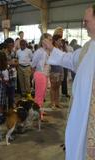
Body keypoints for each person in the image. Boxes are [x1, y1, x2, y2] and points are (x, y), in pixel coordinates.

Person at [43, 5, 95, 160]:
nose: (83, 24)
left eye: (86, 20)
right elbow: (70, 59)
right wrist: (52, 48)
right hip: (80, 114)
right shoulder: (88, 47)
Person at [31, 33, 50, 120]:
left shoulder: (46, 51)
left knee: (42, 95)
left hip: (45, 74)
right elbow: (33, 64)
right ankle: (37, 113)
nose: (51, 41)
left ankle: (40, 110)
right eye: (49, 39)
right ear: (44, 41)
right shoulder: (39, 51)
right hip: (40, 74)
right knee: (39, 95)